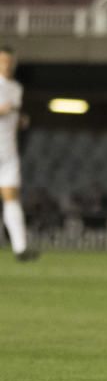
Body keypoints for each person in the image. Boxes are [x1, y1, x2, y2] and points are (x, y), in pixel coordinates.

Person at [0, 45, 38, 262]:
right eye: (3, 61)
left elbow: (12, 114)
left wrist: (20, 120)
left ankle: (20, 249)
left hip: (8, 151)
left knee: (11, 197)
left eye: (10, 61)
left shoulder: (16, 87)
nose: (7, 65)